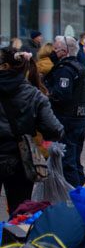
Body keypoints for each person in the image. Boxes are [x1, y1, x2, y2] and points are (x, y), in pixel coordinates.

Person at [0, 48, 64, 216]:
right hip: (19, 159)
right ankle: (11, 241)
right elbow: (54, 129)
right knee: (20, 212)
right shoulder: (33, 94)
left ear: (4, 66)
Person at [46, 37, 85, 186]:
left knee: (68, 163)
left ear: (64, 52)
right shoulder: (80, 67)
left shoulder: (65, 69)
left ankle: (74, 198)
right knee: (75, 162)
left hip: (67, 121)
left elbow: (61, 95)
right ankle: (82, 193)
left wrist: (48, 93)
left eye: (56, 49)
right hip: (79, 120)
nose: (53, 52)